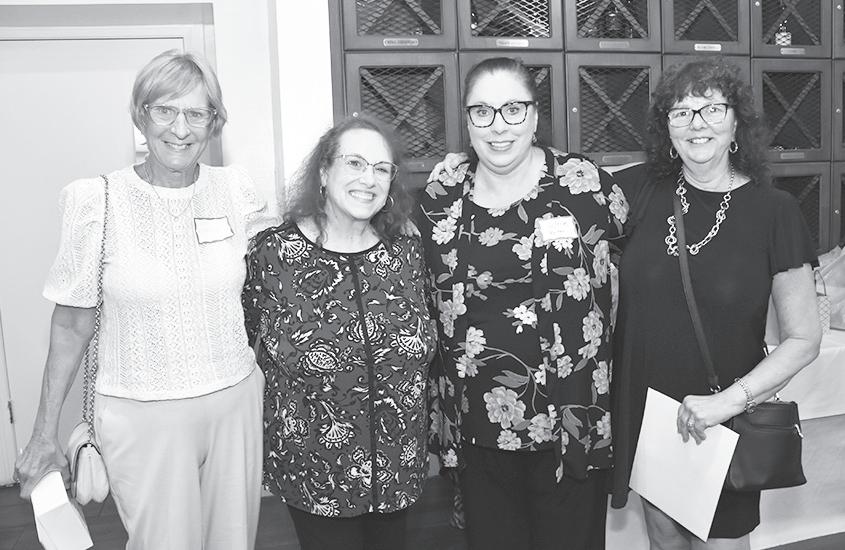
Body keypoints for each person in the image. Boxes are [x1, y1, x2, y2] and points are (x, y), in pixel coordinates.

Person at [14, 50, 273, 549]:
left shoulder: (235, 190)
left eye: (196, 113)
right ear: (140, 115)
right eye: (165, 110)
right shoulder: (98, 200)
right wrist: (44, 433)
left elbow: (280, 274)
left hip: (234, 403)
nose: (180, 128)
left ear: (214, 122)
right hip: (141, 414)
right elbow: (71, 325)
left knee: (233, 542)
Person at [610, 57, 821, 549]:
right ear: (667, 129)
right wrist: (466, 166)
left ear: (736, 124)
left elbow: (804, 338)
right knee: (663, 539)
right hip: (648, 410)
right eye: (681, 112)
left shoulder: (775, 211)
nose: (696, 123)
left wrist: (727, 403)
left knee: (722, 542)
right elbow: (558, 184)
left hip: (723, 417)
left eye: (711, 109)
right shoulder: (637, 191)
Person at [418, 57, 629, 550]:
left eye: (513, 109)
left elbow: (642, 257)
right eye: (482, 112)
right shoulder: (440, 198)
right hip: (477, 431)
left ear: (535, 115)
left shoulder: (585, 184)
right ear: (467, 121)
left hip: (571, 426)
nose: (498, 126)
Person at [241, 113, 438, 550]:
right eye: (355, 163)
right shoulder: (274, 254)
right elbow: (246, 343)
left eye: (382, 169)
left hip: (397, 466)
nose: (369, 179)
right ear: (324, 172)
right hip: (316, 473)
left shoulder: (406, 251)